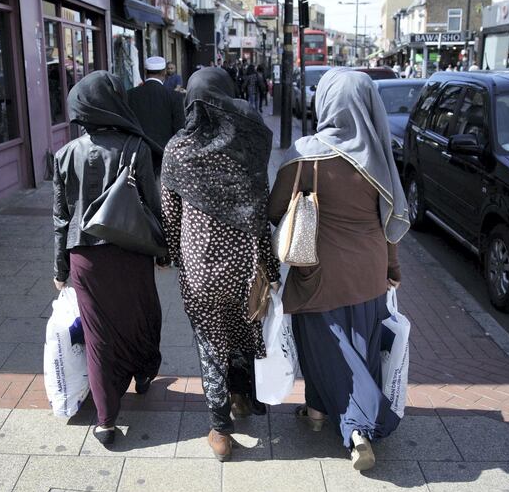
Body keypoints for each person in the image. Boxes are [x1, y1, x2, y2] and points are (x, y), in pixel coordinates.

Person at [269, 68, 410, 471]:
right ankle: (317, 412)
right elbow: (390, 221)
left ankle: (359, 427)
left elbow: (275, 209)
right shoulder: (378, 157)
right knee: (358, 349)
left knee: (322, 347)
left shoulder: (305, 154)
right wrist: (393, 267)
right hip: (369, 271)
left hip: (317, 271)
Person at [161, 67, 279, 462]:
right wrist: (271, 267)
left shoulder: (177, 149)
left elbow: (170, 216)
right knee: (244, 330)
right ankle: (243, 399)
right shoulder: (248, 145)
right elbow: (261, 213)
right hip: (245, 263)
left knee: (212, 343)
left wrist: (178, 259)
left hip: (200, 266)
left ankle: (219, 429)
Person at [53, 71, 165, 447]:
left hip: (84, 256)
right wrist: (163, 250)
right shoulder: (137, 147)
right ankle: (144, 373)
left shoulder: (66, 154)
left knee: (98, 335)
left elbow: (61, 217)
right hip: (132, 251)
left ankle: (106, 420)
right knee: (141, 317)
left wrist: (60, 268)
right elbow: (152, 204)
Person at [127, 56, 185, 160]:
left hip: (138, 153)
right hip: (165, 154)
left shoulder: (130, 94)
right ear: (164, 72)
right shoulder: (174, 96)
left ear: (145, 72)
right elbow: (179, 129)